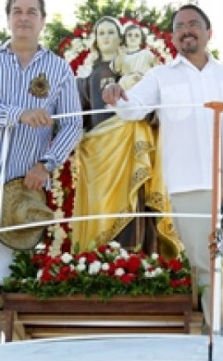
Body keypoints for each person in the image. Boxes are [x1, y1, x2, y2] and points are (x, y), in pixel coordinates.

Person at [102, 5, 223, 336]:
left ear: (208, 32)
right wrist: (116, 94)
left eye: (194, 24)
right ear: (173, 37)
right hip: (189, 182)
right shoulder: (160, 76)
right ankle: (214, 333)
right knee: (204, 261)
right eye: (181, 26)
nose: (188, 30)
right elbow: (133, 109)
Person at [0, 0, 83, 347]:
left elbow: (72, 124)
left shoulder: (58, 70)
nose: (24, 17)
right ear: (8, 19)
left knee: (8, 257)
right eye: (17, 11)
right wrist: (18, 114)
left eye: (31, 12)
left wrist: (47, 163)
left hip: (23, 178)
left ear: (42, 21)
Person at [72, 17, 177, 256]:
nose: (107, 37)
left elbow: (149, 107)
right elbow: (82, 116)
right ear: (95, 40)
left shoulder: (134, 70)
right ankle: (97, 258)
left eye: (111, 32)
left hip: (128, 144)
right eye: (102, 33)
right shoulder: (87, 76)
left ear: (120, 39)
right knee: (101, 206)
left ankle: (136, 258)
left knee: (135, 199)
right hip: (99, 150)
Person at [114, 23, 158, 90]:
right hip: (126, 86)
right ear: (125, 38)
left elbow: (156, 67)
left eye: (136, 35)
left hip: (143, 85)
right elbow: (117, 69)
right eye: (129, 35)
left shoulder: (146, 53)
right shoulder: (122, 54)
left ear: (141, 40)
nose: (133, 37)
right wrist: (120, 56)